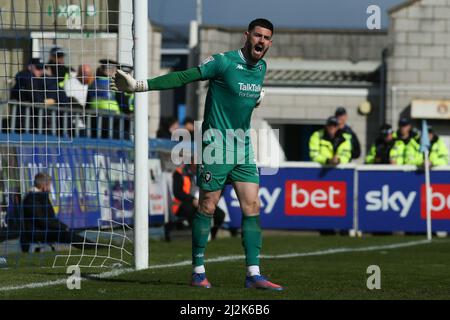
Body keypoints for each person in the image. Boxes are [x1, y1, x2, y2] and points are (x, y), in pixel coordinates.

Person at [111, 18, 282, 290]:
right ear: (247, 35)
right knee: (207, 207)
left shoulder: (261, 67)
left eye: (266, 38)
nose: (261, 41)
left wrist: (256, 97)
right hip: (216, 145)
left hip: (243, 146)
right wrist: (139, 86)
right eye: (257, 35)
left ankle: (253, 274)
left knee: (252, 207)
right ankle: (198, 271)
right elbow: (183, 76)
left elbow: (242, 99)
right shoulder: (223, 62)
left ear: (270, 43)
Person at [20, 173, 94, 253]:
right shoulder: (31, 199)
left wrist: (62, 226)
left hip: (43, 230)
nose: (50, 189)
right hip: (36, 233)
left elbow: (50, 218)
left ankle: (93, 245)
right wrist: (61, 227)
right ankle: (93, 247)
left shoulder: (41, 196)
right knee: (65, 234)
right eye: (49, 186)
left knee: (67, 233)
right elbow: (42, 221)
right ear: (44, 186)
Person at [167, 161, 225, 242]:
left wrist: (210, 199)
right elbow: (178, 193)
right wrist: (192, 200)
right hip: (183, 203)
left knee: (220, 214)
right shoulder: (179, 173)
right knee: (191, 210)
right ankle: (197, 236)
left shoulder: (207, 172)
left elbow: (218, 186)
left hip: (204, 201)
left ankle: (212, 235)